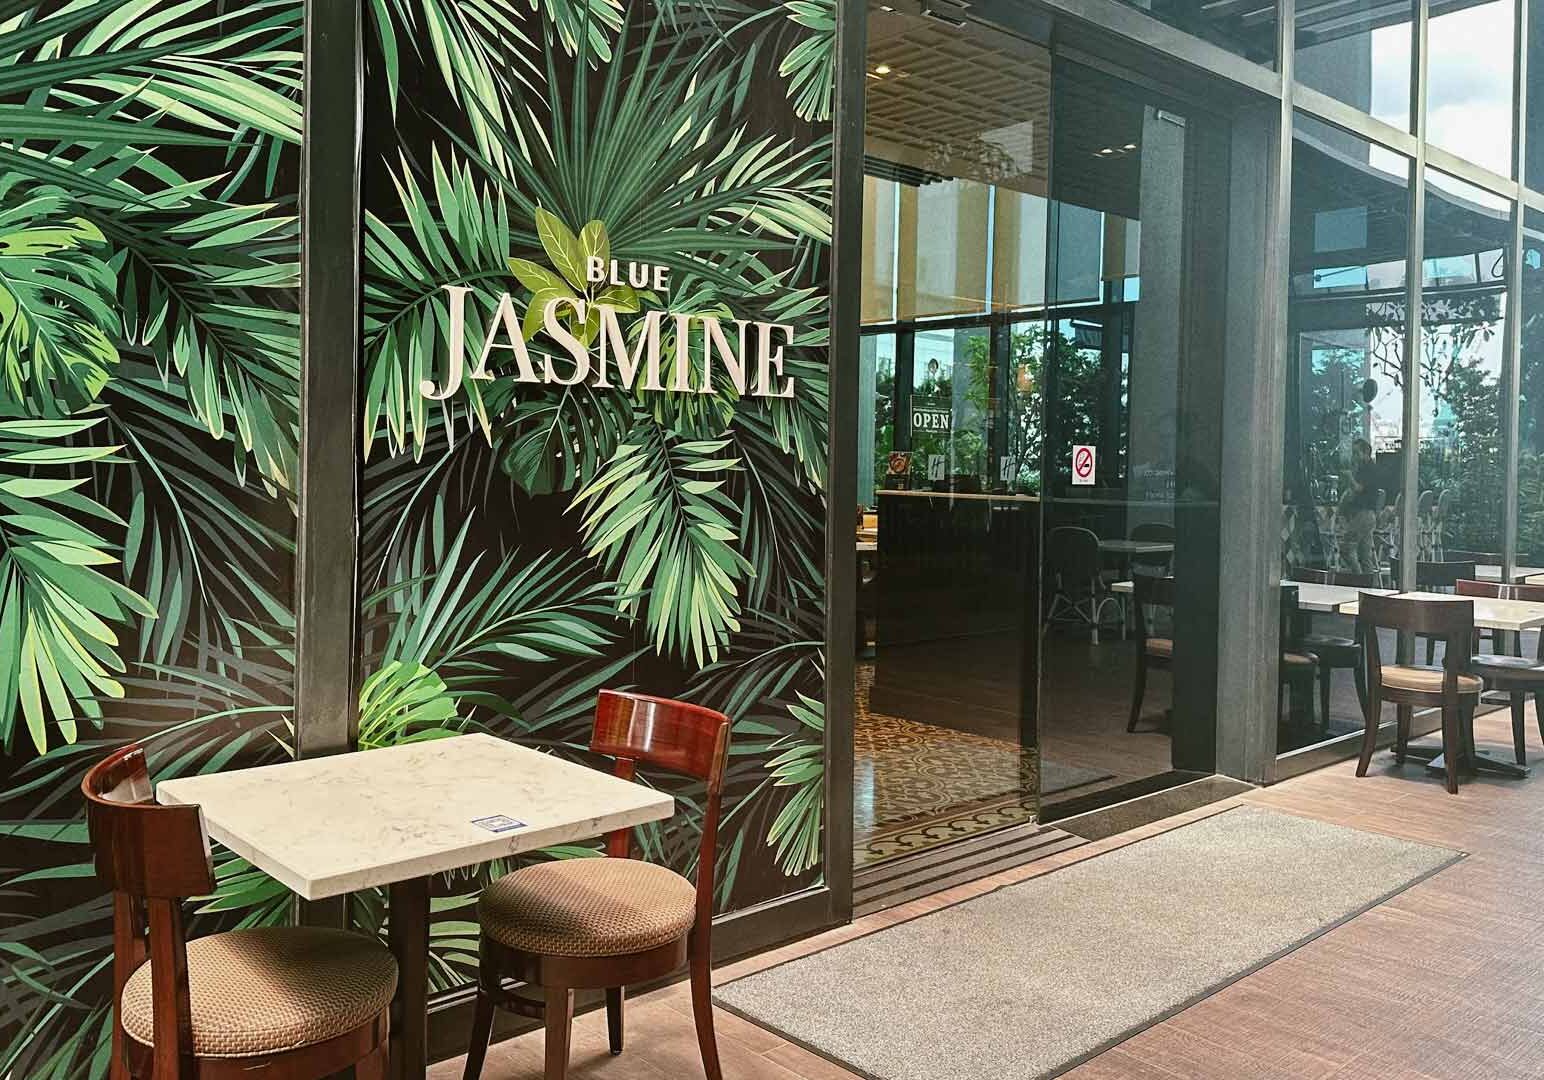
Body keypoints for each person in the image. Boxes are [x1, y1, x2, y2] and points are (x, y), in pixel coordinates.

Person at [1337, 438, 1378, 574]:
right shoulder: (1362, 468)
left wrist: (1349, 477)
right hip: (1367, 516)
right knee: (1365, 555)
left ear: (1365, 452)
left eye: (1356, 453)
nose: (1354, 456)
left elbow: (1358, 488)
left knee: (1346, 547)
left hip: (1363, 515)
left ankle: (1358, 578)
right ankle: (1370, 584)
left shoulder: (1369, 469)